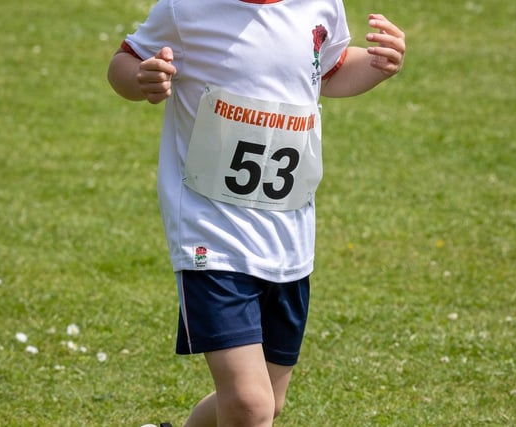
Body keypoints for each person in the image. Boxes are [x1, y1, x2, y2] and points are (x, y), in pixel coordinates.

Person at [108, 1, 405, 426]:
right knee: (250, 404)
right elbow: (124, 61)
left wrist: (378, 64)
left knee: (266, 401)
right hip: (210, 230)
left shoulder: (320, 6)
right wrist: (141, 77)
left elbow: (330, 70)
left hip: (288, 237)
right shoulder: (186, 9)